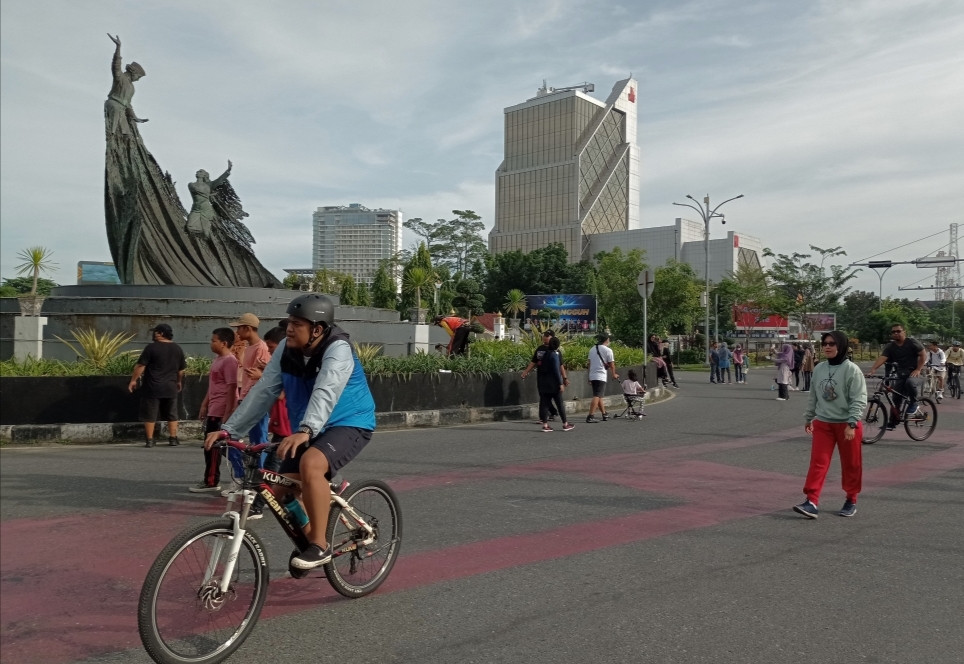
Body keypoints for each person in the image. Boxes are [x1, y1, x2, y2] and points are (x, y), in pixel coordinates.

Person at [205, 293, 376, 570]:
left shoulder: (338, 349)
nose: (290, 329)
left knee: (311, 464)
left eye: (298, 323)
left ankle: (319, 545)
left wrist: (306, 429)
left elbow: (327, 389)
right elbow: (264, 391)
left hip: (349, 421)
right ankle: (312, 545)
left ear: (317, 329)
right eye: (289, 323)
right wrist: (230, 430)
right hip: (307, 428)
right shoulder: (286, 348)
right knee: (278, 493)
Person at [793, 330, 867, 519]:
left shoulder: (852, 370)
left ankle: (851, 499)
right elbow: (814, 395)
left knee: (851, 464)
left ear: (841, 346)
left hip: (847, 424)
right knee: (818, 463)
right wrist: (809, 417)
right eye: (825, 343)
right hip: (824, 423)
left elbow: (859, 399)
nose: (827, 346)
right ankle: (811, 501)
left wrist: (852, 424)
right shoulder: (819, 368)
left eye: (832, 343)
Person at [225, 313, 272, 494]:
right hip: (247, 398)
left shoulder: (261, 347)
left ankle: (256, 482)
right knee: (252, 441)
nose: (237, 332)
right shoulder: (250, 347)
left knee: (255, 440)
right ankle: (249, 479)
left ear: (248, 328)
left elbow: (268, 376)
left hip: (256, 400)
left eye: (239, 328)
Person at [190, 328, 239, 493]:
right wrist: (205, 404)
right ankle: (211, 479)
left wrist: (228, 411)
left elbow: (232, 388)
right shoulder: (218, 359)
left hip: (221, 410)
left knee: (217, 447)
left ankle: (213, 481)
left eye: (214, 340)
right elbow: (213, 386)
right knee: (210, 446)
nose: (211, 343)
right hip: (214, 408)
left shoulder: (230, 361)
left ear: (224, 343)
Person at [128, 323, 186, 447]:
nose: (154, 334)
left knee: (150, 414)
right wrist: (179, 381)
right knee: (172, 413)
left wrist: (133, 380)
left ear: (161, 333)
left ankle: (150, 440)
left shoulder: (151, 348)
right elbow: (181, 370)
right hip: (170, 386)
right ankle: (173, 438)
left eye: (156, 332)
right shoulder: (177, 348)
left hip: (152, 387)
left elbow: (141, 366)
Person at [867, 324, 926, 422]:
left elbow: (923, 354)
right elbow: (883, 357)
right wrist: (873, 370)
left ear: (904, 332)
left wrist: (918, 369)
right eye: (893, 332)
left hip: (916, 373)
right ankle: (893, 421)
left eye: (898, 331)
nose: (896, 333)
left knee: (910, 383)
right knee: (895, 399)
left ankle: (914, 403)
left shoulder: (912, 342)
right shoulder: (891, 346)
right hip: (901, 375)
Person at [521, 329, 570, 423]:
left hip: (554, 380)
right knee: (543, 397)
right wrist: (526, 371)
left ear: (552, 338)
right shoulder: (540, 349)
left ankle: (559, 420)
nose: (544, 337)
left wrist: (564, 378)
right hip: (542, 378)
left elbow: (560, 366)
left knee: (556, 400)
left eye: (547, 336)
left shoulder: (556, 352)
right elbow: (533, 362)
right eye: (544, 335)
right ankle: (547, 417)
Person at [185, 163, 233, 238]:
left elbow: (219, 179)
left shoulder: (209, 185)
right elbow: (197, 191)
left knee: (205, 232)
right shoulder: (191, 184)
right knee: (189, 226)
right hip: (196, 208)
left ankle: (207, 241)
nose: (197, 172)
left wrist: (228, 171)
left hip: (206, 208)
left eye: (200, 171)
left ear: (204, 175)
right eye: (197, 171)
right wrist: (209, 195)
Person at [537, 337, 573, 432]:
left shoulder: (544, 354)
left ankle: (545, 425)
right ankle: (565, 424)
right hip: (553, 384)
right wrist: (560, 383)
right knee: (559, 404)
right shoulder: (554, 355)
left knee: (545, 404)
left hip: (543, 383)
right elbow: (556, 371)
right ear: (557, 345)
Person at [586, 333, 618, 423]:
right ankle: (590, 416)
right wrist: (614, 374)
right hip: (601, 375)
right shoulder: (608, 350)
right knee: (597, 395)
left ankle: (604, 413)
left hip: (593, 375)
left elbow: (589, 364)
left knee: (598, 395)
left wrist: (589, 376)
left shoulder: (592, 349)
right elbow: (611, 364)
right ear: (607, 340)